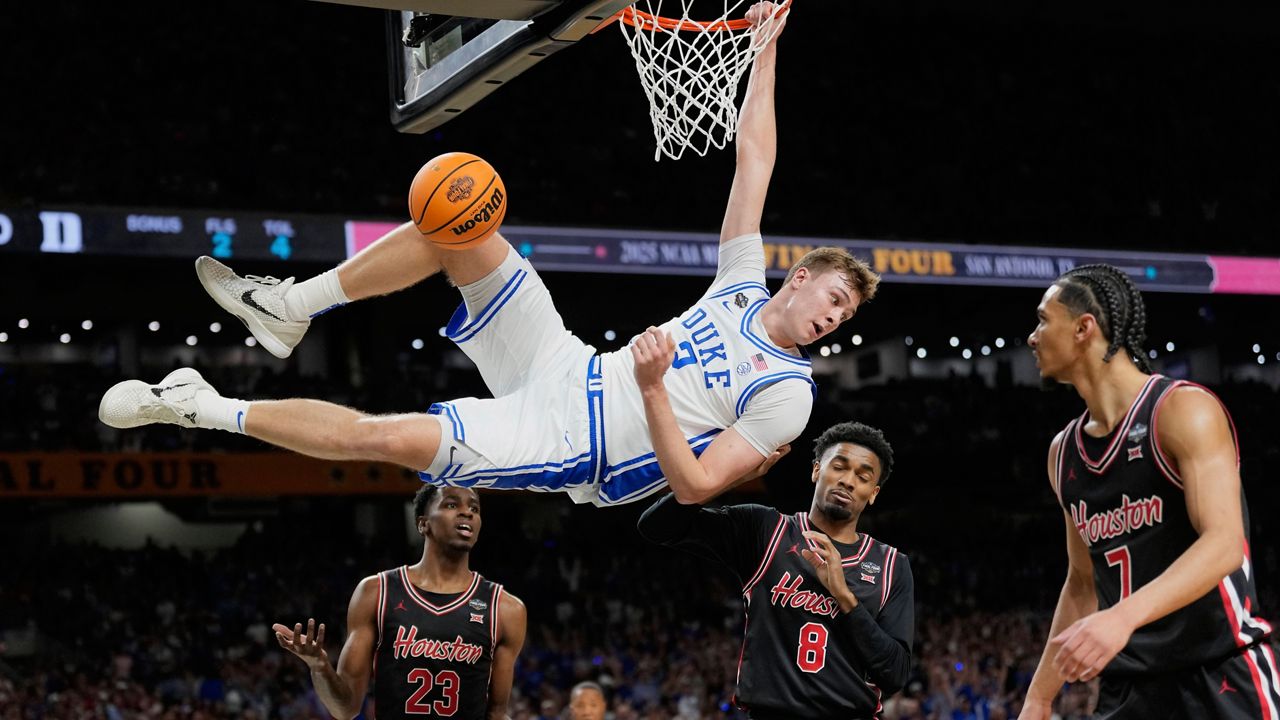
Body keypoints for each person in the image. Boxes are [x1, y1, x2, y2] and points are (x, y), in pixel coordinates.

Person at [98, 2, 879, 508]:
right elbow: (754, 161)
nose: (834, 319)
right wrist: (765, 51)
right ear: (800, 277)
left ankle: (197, 405)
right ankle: (288, 309)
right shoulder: (742, 285)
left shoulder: (790, 395)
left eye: (843, 316)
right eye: (836, 299)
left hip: (575, 444)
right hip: (569, 363)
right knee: (462, 212)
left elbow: (697, 484)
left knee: (383, 438)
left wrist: (650, 389)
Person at [1019, 264, 1278, 719]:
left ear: (1083, 328)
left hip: (1218, 673)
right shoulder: (1063, 453)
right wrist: (1039, 697)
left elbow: (1224, 544)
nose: (1032, 337)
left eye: (1043, 320)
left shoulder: (1182, 410)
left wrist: (1122, 617)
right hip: (1129, 689)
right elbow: (1082, 583)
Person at [637, 421, 914, 719]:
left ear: (873, 493)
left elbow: (895, 674)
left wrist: (844, 597)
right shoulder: (766, 530)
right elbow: (656, 527)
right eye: (839, 467)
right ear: (816, 470)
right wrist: (723, 480)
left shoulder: (891, 565)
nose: (848, 481)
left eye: (863, 477)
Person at [273, 484, 526, 720]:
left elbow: (496, 714)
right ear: (423, 524)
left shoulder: (505, 609)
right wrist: (319, 667)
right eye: (451, 505)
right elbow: (345, 709)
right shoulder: (376, 592)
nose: (467, 513)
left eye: (474, 508)